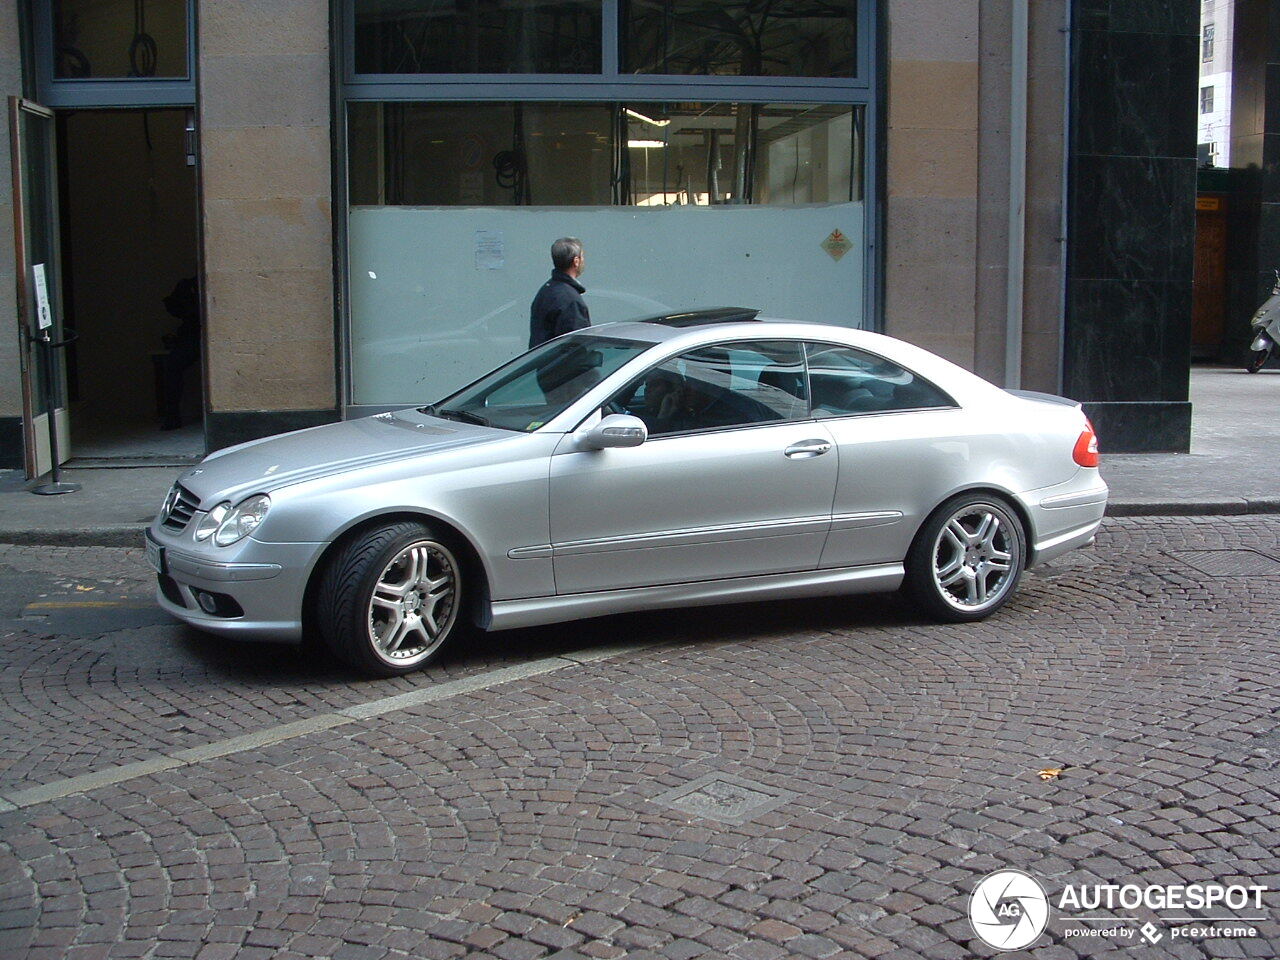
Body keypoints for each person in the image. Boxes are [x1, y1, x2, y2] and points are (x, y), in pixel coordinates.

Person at [529, 237, 590, 348]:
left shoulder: (546, 290)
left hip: (543, 362)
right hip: (563, 364)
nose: (583, 261)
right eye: (582, 256)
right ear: (576, 261)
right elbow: (576, 347)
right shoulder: (571, 300)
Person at [159, 277, 200, 430]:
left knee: (172, 368)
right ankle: (172, 415)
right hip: (191, 335)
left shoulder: (192, 284)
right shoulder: (188, 285)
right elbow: (174, 307)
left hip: (198, 335)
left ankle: (172, 416)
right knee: (172, 367)